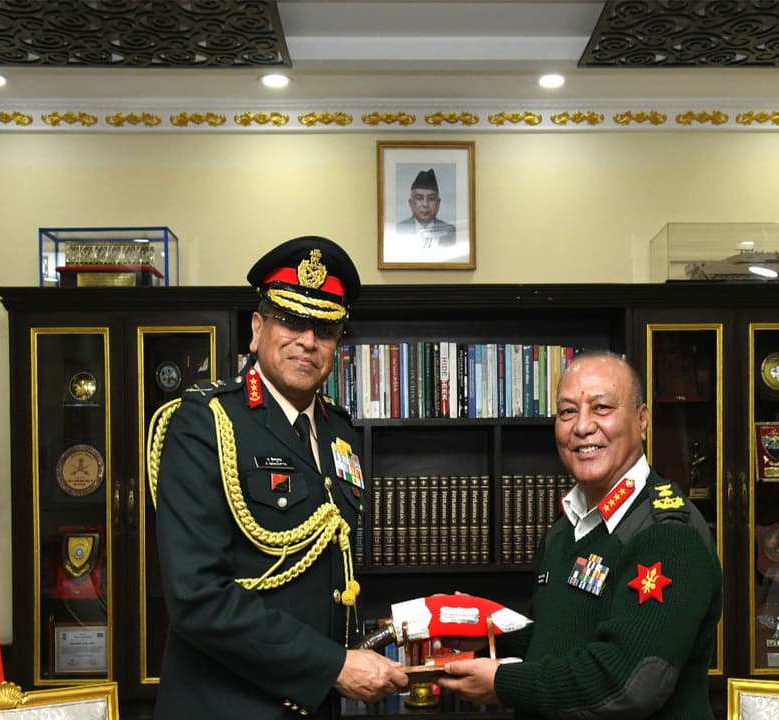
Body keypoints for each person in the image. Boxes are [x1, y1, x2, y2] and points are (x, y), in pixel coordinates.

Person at [150, 235, 408, 719]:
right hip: (227, 707)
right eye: (290, 321)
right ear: (256, 328)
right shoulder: (206, 421)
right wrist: (333, 665)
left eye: (326, 329)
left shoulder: (340, 432)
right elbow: (197, 596)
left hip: (317, 704)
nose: (308, 341)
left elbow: (332, 575)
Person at [437, 350, 722, 719]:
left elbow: (629, 682)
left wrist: (504, 684)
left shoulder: (667, 533)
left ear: (642, 420)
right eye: (568, 411)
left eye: (601, 408)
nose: (582, 427)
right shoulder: (565, 529)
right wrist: (491, 630)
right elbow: (560, 643)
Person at [395, 168, 456, 248]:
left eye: (431, 198)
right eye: (419, 198)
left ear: (438, 203)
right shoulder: (397, 229)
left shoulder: (451, 231)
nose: (425, 204)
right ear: (411, 203)